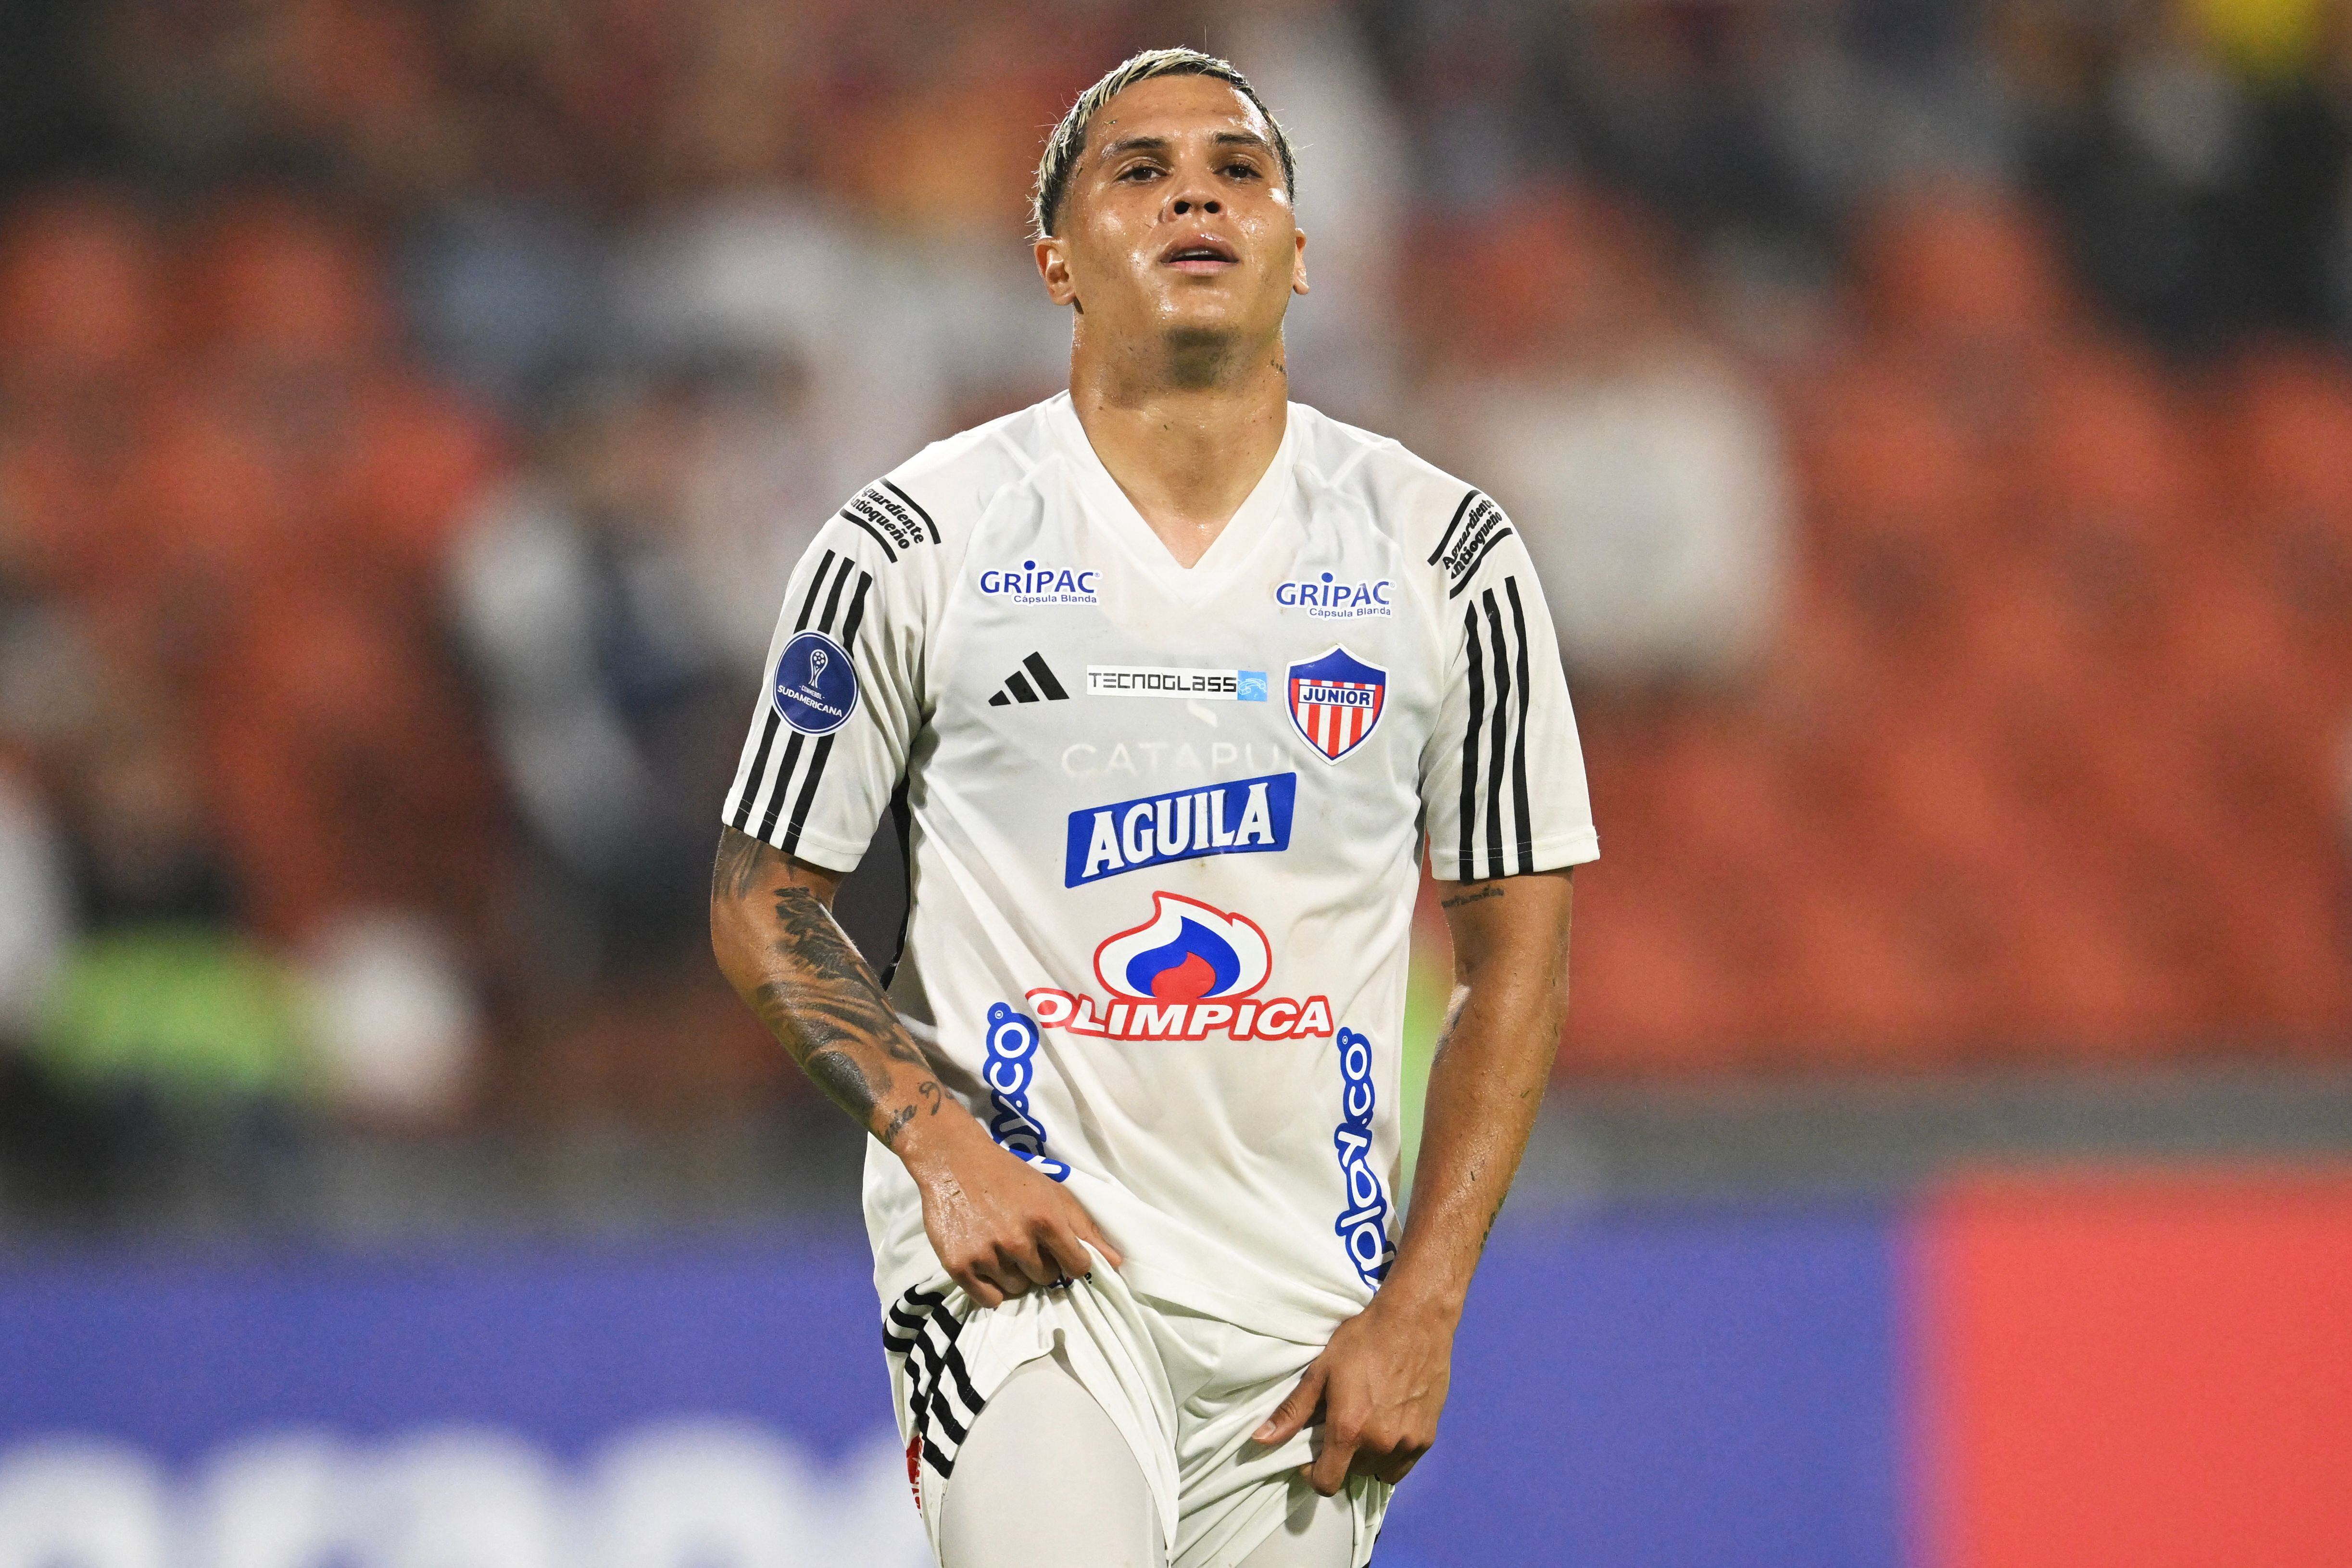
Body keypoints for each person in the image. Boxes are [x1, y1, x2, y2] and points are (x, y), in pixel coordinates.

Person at [709, 48, 1596, 1568]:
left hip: (1302, 1300)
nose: (1196, 190)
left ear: (1301, 253)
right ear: (1053, 261)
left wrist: (1424, 1306)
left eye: (1239, 169)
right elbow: (763, 898)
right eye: (1137, 170)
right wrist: (937, 1144)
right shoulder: (913, 544)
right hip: (1024, 1267)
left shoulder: (1446, 555)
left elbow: (1518, 948)